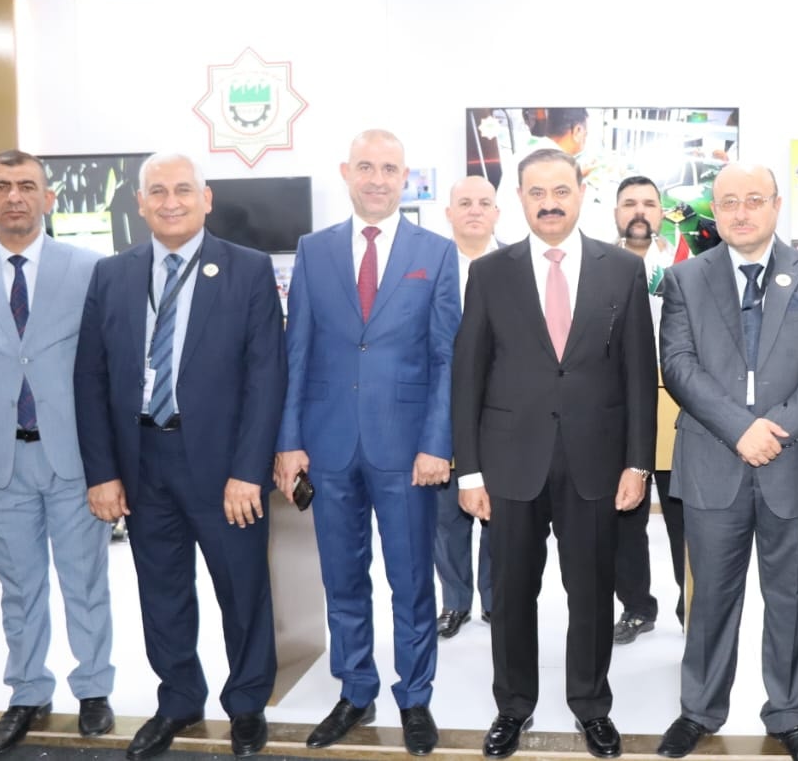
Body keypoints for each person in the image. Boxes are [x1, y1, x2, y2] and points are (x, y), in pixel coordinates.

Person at [74, 152, 286, 760]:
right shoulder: (111, 275)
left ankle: (246, 703)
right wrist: (102, 472)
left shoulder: (247, 269)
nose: (171, 201)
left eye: (184, 190)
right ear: (140, 202)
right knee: (161, 591)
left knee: (242, 590)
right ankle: (179, 700)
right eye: (158, 191)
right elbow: (89, 378)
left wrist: (248, 471)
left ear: (206, 198)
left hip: (224, 469)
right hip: (143, 461)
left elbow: (266, 377)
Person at [452, 148, 657, 760]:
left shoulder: (622, 270)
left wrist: (638, 462)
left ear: (580, 194)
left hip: (596, 464)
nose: (549, 203)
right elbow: (468, 377)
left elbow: (638, 375)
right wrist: (469, 470)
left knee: (590, 593)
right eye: (536, 192)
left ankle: (591, 706)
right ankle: (513, 707)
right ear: (519, 197)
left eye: (561, 190)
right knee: (511, 593)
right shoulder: (490, 273)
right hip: (510, 462)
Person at [656, 163, 798, 761]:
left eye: (753, 200)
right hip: (714, 458)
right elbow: (678, 364)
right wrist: (740, 430)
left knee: (792, 598)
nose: (741, 212)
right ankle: (698, 710)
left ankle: (788, 714)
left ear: (776, 205)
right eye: (728, 202)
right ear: (714, 211)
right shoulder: (685, 278)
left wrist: (776, 428)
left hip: (795, 462)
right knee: (710, 599)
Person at [274, 130, 459, 754]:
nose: (377, 179)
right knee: (342, 578)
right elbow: (296, 350)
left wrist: (437, 442)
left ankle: (415, 697)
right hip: (327, 445)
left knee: (411, 580)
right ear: (346, 172)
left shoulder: (435, 253)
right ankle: (355, 690)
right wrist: (289, 440)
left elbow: (446, 358)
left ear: (405, 177)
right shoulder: (314, 249)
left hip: (407, 450)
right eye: (366, 167)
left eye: (389, 168)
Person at [0, 149, 114, 754]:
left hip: (74, 457)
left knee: (85, 581)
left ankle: (94, 689)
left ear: (49, 198)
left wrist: (112, 463)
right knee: (19, 589)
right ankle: (28, 692)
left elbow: (108, 370)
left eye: (27, 185)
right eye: (2, 186)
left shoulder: (90, 269)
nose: (15, 197)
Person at [611, 174, 685, 641]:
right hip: (618, 410)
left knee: (684, 518)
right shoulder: (596, 265)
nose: (639, 211)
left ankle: (691, 605)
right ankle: (637, 607)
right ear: (616, 212)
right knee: (624, 519)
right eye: (629, 203)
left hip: (679, 408)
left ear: (661, 212)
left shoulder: (686, 265)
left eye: (649, 203)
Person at [435, 175, 501, 639]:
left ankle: (496, 601)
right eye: (465, 203)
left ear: (497, 212)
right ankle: (454, 601)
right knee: (446, 517)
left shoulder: (518, 264)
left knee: (499, 513)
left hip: (502, 414)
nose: (474, 210)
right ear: (449, 213)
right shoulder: (430, 267)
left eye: (483, 202)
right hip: (441, 411)